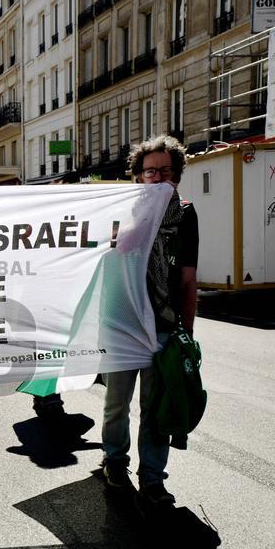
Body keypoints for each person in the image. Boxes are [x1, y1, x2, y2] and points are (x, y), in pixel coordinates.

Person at [101, 135, 199, 506]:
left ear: (177, 175)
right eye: (149, 171)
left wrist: (185, 332)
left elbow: (187, 279)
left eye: (164, 171)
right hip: (123, 322)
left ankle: (153, 477)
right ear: (139, 176)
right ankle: (115, 461)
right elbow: (107, 258)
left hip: (163, 325)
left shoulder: (186, 215)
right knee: (116, 404)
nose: (156, 178)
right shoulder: (121, 211)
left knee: (155, 408)